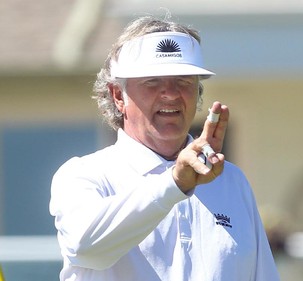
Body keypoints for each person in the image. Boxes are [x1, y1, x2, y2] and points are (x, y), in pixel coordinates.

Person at [49, 15, 279, 281]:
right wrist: (174, 184)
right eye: (152, 81)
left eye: (183, 81)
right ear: (117, 95)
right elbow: (86, 249)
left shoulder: (231, 180)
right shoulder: (84, 174)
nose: (170, 93)